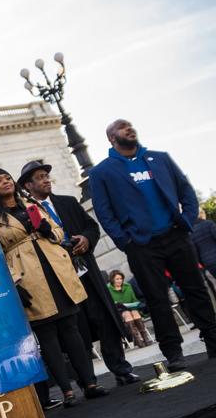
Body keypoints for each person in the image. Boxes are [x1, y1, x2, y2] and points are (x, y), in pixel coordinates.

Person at [88, 120, 216, 371]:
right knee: (157, 299)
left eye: (130, 125)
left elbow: (186, 191)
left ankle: (214, 339)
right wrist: (125, 241)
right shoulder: (102, 172)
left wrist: (187, 220)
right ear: (111, 138)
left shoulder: (159, 159)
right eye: (122, 127)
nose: (129, 128)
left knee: (195, 289)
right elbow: (104, 212)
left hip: (175, 235)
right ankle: (173, 352)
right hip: (141, 245)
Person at [0, 168, 108, 407]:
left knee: (71, 328)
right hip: (28, 276)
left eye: (7, 178)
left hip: (55, 268)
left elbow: (58, 231)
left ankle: (89, 382)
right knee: (48, 335)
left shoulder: (33, 204)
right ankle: (67, 391)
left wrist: (47, 230)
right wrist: (13, 283)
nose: (5, 182)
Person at [18, 160, 140, 386]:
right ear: (28, 185)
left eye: (47, 175)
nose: (46, 180)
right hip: (60, 280)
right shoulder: (26, 214)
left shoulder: (68, 202)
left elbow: (91, 227)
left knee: (105, 320)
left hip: (86, 272)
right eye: (40, 177)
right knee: (76, 328)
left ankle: (121, 369)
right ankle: (88, 381)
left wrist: (86, 239)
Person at [106, 271, 152, 347]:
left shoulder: (128, 286)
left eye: (121, 278)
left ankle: (145, 338)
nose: (120, 280)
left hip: (132, 308)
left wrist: (134, 304)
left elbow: (134, 300)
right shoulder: (108, 289)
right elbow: (111, 304)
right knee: (127, 314)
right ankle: (137, 340)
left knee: (134, 312)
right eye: (117, 279)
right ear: (112, 279)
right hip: (119, 311)